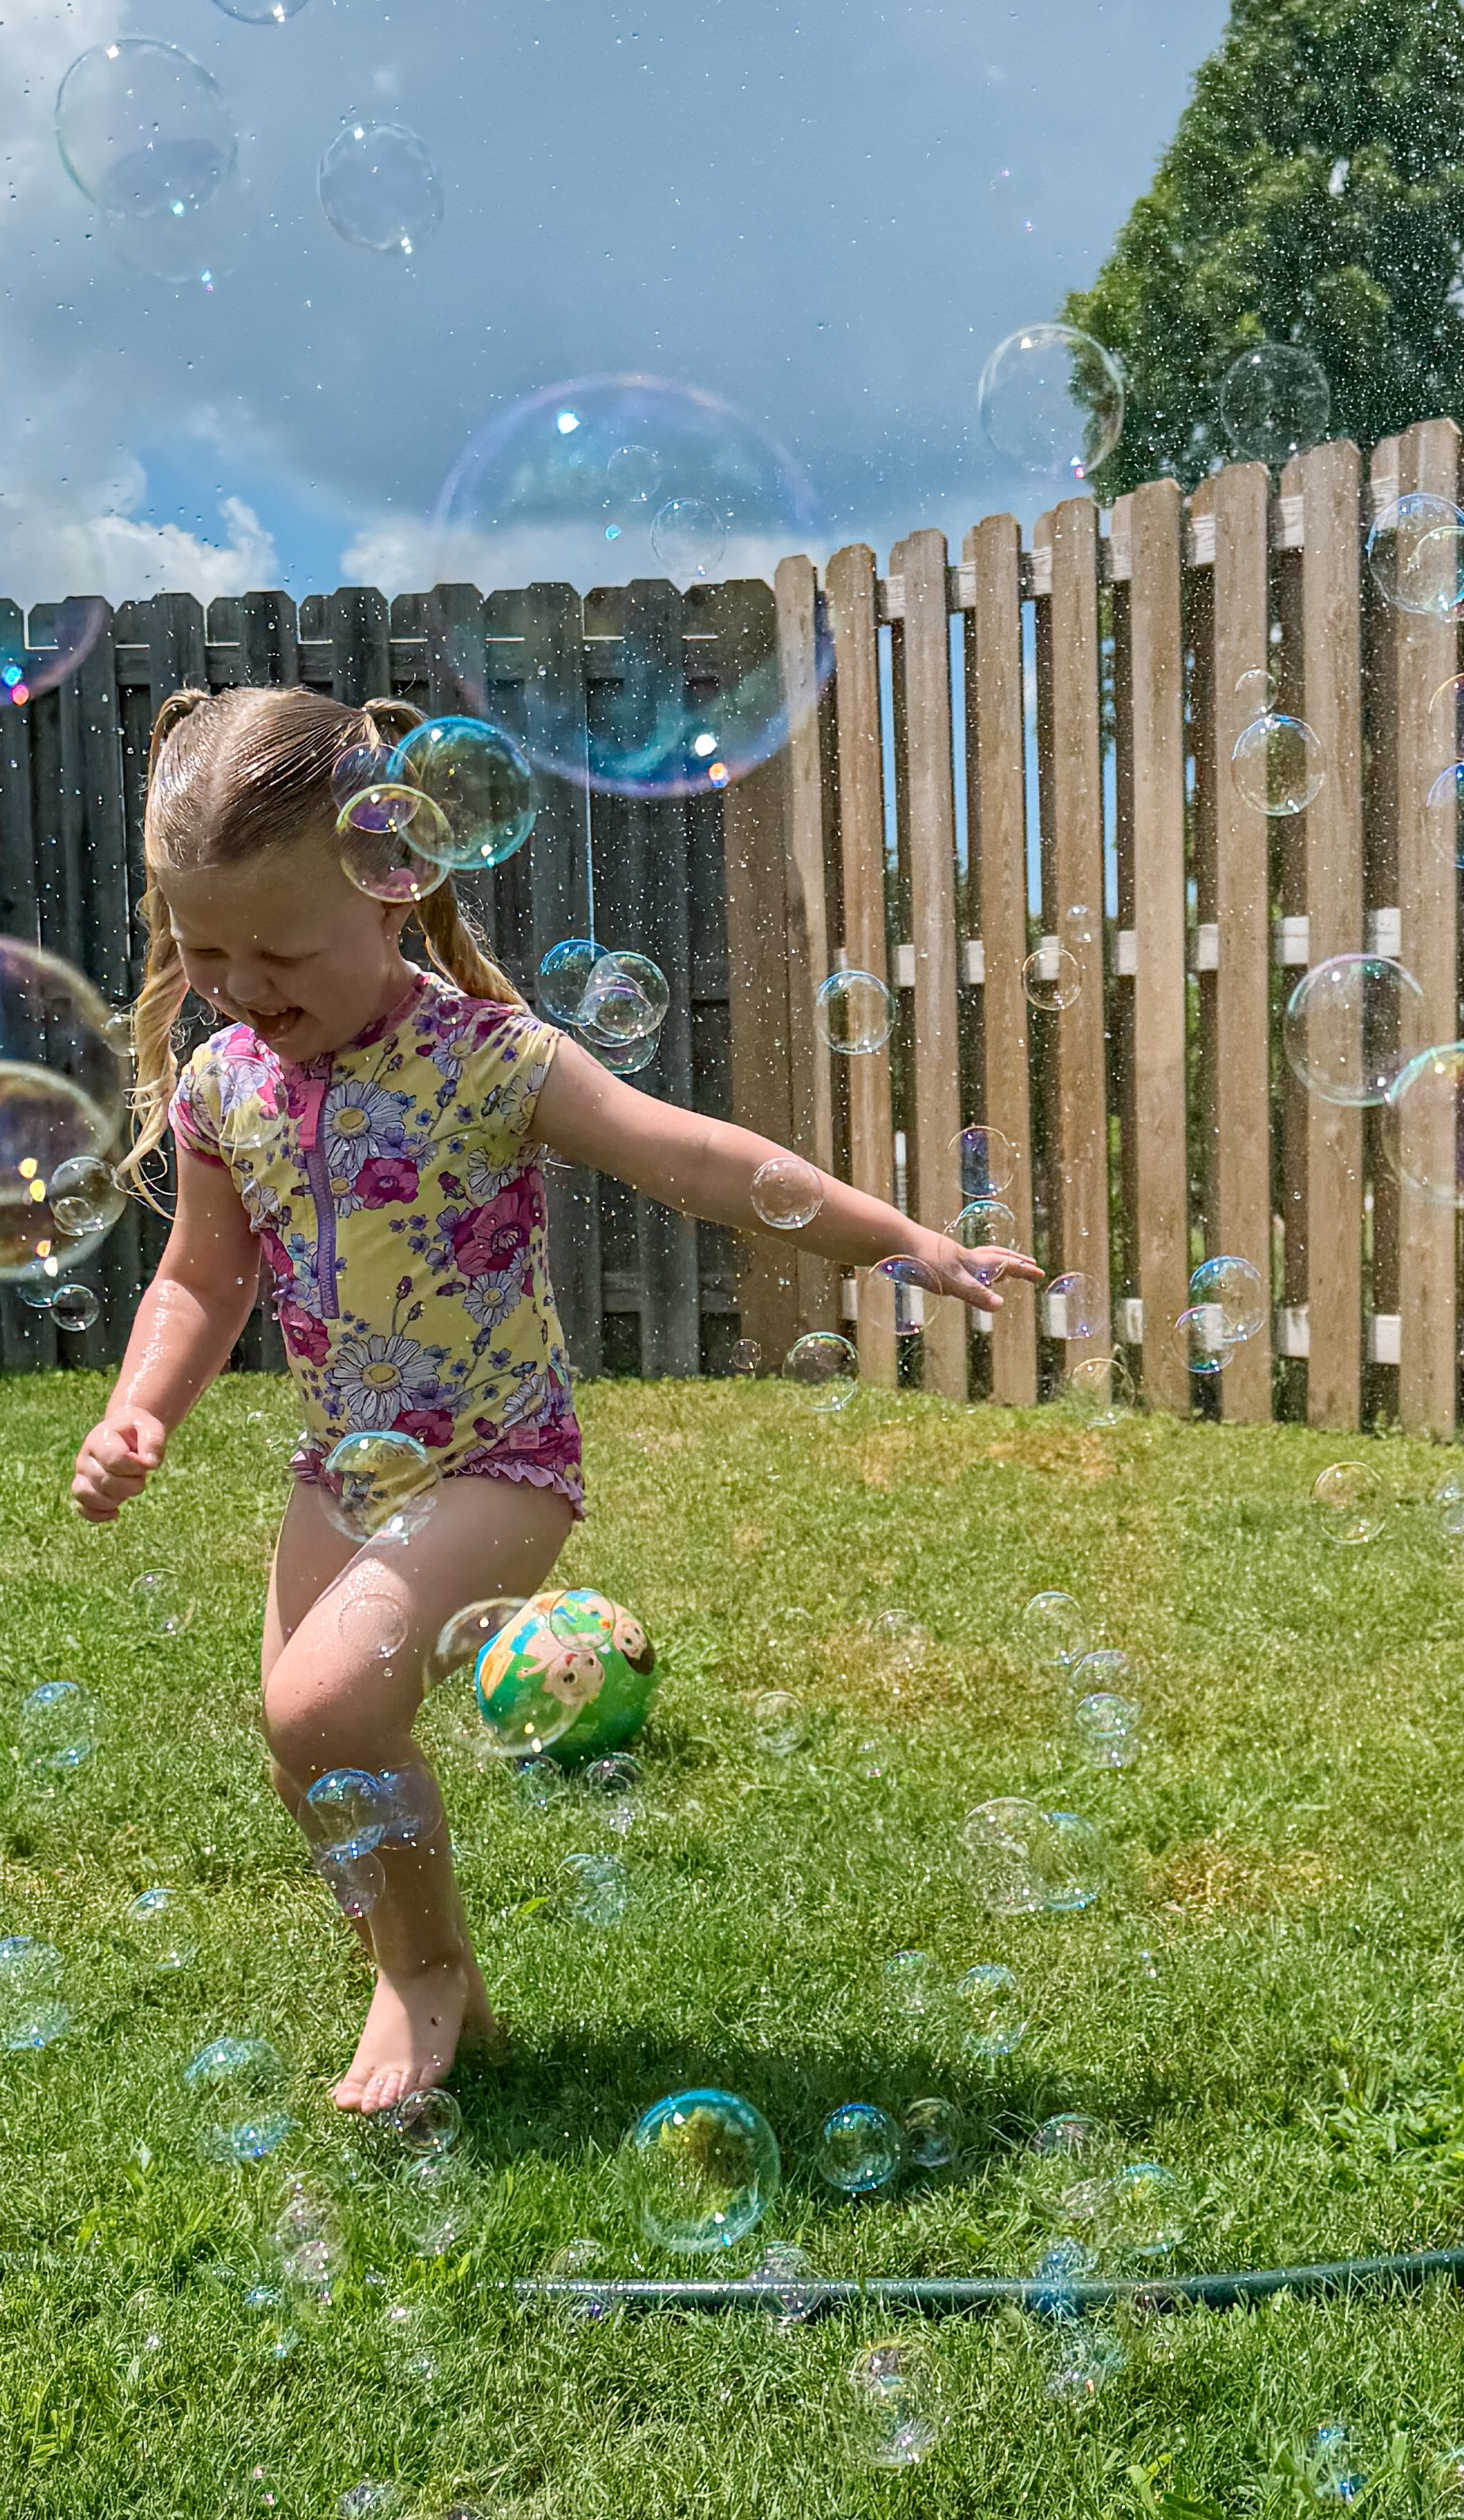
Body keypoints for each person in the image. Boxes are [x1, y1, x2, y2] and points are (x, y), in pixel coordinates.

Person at [69, 682, 1033, 2115]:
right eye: (205, 949)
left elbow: (700, 1159)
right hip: (343, 1463)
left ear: (395, 890)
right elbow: (199, 1282)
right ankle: (427, 1974)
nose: (242, 983)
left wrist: (902, 1239)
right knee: (305, 1746)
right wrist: (143, 1405)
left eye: (280, 949)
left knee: (328, 1711)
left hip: (493, 1459)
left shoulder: (489, 1058)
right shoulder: (224, 1083)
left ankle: (424, 1981)